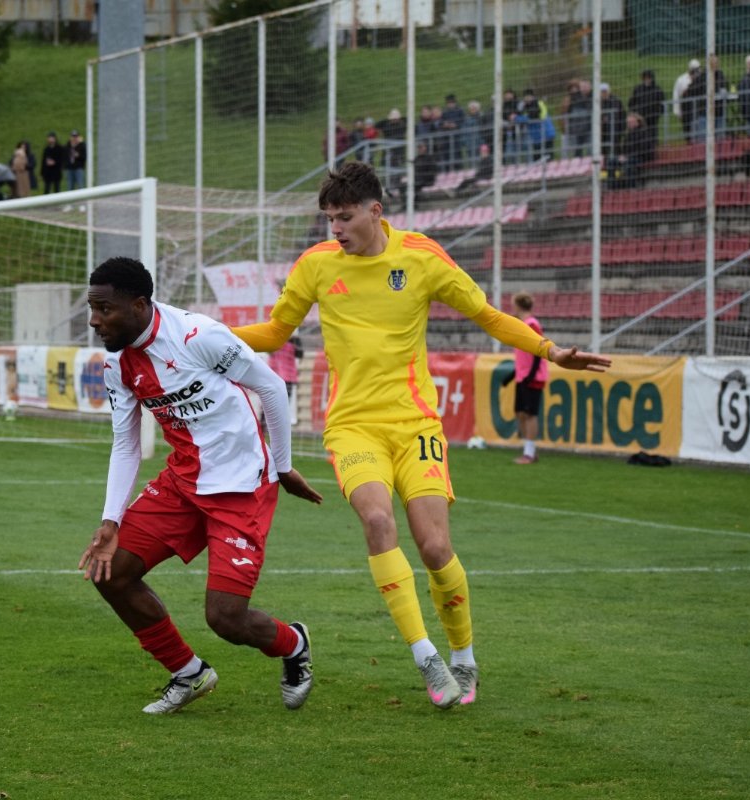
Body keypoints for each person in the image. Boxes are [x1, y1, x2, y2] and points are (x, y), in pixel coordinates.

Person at [231, 162, 611, 709]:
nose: (335, 229)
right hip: (352, 426)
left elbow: (487, 316)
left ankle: (464, 657)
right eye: (329, 218)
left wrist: (549, 351)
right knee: (377, 521)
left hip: (416, 426)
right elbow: (274, 332)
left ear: (375, 211)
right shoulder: (316, 264)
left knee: (434, 548)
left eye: (344, 217)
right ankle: (425, 655)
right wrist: (202, 334)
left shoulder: (421, 257)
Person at [79, 256, 323, 715]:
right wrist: (110, 520)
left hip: (241, 487)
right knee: (109, 571)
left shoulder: (198, 336)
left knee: (226, 618)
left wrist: (283, 466)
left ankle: (293, 644)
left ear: (139, 305)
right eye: (92, 308)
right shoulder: (117, 363)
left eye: (104, 309)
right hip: (182, 483)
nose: (94, 320)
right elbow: (126, 444)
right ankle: (188, 672)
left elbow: (271, 387)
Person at [502, 292, 549, 464]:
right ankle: (528, 450)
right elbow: (524, 356)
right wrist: (512, 376)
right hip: (523, 376)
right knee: (520, 413)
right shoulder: (523, 324)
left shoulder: (532, 324)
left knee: (530, 414)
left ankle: (529, 453)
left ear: (518, 305)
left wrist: (531, 375)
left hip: (532, 377)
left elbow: (538, 351)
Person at [628, 70, 665, 145]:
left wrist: (656, 115)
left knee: (652, 138)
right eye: (645, 77)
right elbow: (631, 103)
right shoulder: (638, 89)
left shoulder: (658, 90)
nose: (647, 79)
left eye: (649, 77)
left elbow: (662, 105)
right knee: (639, 138)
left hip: (652, 119)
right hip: (639, 119)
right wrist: (635, 114)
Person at [674, 60, 700, 144]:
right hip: (686, 108)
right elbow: (676, 95)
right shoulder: (681, 79)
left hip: (699, 108)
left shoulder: (702, 79)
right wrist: (677, 111)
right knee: (687, 130)